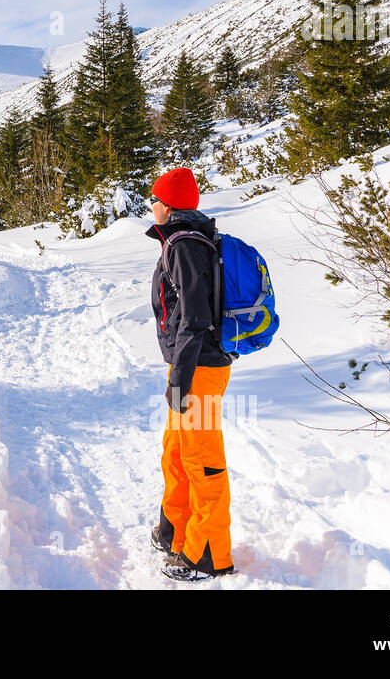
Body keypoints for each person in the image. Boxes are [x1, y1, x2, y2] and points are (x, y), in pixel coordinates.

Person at [145, 166, 236, 582]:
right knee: (178, 452)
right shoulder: (186, 239)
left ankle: (209, 554)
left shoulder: (183, 245)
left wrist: (179, 379)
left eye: (155, 200)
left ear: (169, 205)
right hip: (188, 365)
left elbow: (195, 319)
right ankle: (175, 531)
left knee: (202, 459)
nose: (151, 206)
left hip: (198, 367)